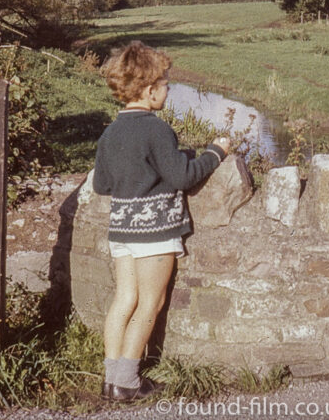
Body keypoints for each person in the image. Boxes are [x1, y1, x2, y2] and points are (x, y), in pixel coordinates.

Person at [92, 41, 230, 402]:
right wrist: (215, 152)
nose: (169, 90)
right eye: (166, 84)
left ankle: (109, 380)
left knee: (124, 300)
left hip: (121, 230)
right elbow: (184, 177)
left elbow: (102, 184)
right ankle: (128, 382)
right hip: (153, 232)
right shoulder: (156, 130)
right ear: (150, 90)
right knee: (151, 303)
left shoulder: (110, 133)